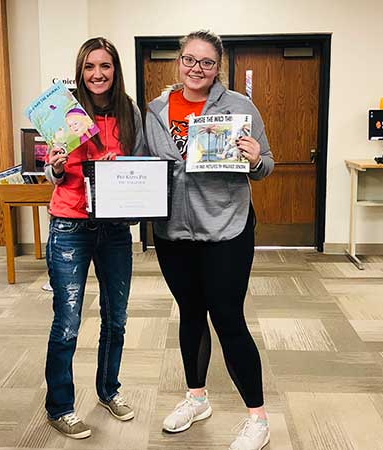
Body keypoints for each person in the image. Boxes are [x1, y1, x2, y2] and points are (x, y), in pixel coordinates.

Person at [144, 30, 274, 450]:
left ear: (218, 67)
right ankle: (196, 398)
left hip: (226, 229)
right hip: (173, 231)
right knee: (190, 314)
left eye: (206, 62)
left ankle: (258, 418)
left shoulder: (239, 107)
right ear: (178, 62)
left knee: (228, 318)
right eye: (189, 60)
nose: (196, 69)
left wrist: (255, 159)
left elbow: (266, 165)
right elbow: (145, 166)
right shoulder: (157, 109)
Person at [43, 37, 145, 440]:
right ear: (80, 70)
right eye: (89, 67)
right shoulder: (63, 112)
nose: (97, 74)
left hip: (115, 228)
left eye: (105, 66)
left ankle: (108, 390)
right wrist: (52, 166)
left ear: (115, 70)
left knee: (116, 319)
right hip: (71, 224)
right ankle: (60, 407)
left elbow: (138, 163)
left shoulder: (128, 111)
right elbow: (53, 172)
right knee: (68, 322)